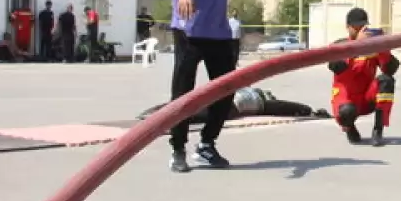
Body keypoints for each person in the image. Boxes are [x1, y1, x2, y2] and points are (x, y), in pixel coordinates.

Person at [167, 0, 250, 173]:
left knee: (226, 90)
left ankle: (206, 145)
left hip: (218, 32)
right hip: (190, 30)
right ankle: (178, 149)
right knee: (184, 93)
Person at [328, 7, 398, 147]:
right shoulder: (339, 45)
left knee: (387, 81)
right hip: (346, 101)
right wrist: (356, 46)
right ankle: (349, 128)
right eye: (356, 27)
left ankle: (378, 130)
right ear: (348, 27)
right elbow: (335, 66)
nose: (360, 30)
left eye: (363, 26)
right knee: (346, 111)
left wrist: (383, 48)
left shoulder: (371, 47)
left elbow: (390, 70)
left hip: (367, 98)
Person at [138, 86, 331, 123]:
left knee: (198, 110)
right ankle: (156, 113)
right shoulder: (265, 101)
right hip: (231, 101)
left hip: (232, 104)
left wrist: (308, 111)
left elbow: (287, 107)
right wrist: (308, 111)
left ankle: (156, 113)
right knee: (195, 107)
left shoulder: (264, 102)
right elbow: (288, 106)